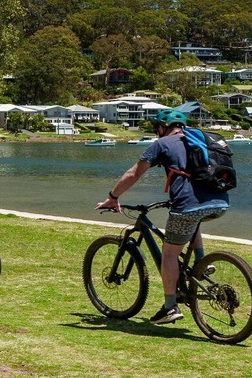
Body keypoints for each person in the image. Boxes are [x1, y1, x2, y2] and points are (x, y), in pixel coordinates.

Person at [96, 109, 230, 324]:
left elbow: (134, 173)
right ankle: (200, 263)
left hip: (189, 205)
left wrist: (113, 197)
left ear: (161, 127)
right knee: (193, 221)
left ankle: (170, 307)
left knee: (169, 254)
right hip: (220, 202)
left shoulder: (162, 144)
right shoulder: (200, 139)